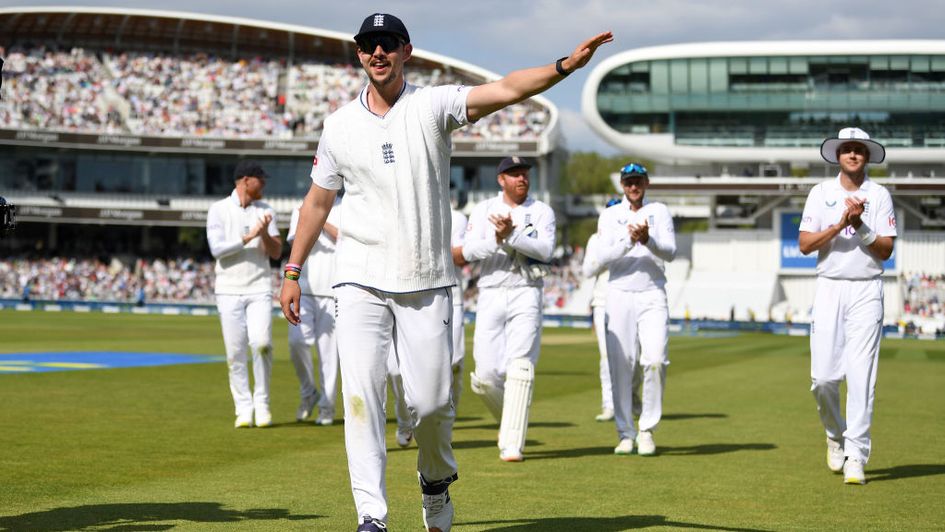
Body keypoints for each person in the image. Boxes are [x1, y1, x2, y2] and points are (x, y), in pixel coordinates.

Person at [279, 12, 611, 532]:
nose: (377, 54)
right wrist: (292, 270)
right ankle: (371, 516)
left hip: (426, 277)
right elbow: (318, 202)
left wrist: (565, 66)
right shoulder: (339, 125)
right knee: (362, 397)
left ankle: (435, 483)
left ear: (406, 50)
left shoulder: (432, 105)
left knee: (431, 405)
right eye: (368, 46)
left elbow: (503, 90)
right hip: (359, 276)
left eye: (387, 44)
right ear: (359, 54)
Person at [798, 127, 896, 485]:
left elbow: (885, 250)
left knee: (861, 378)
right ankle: (834, 434)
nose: (853, 155)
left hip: (867, 289)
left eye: (859, 150)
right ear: (838, 155)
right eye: (847, 149)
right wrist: (842, 224)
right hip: (829, 288)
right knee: (822, 379)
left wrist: (862, 227)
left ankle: (856, 454)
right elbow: (806, 245)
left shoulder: (879, 194)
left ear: (867, 156)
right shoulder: (821, 193)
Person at [461, 156, 555, 462]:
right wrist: (498, 239)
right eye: (514, 174)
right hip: (490, 291)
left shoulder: (541, 211)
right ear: (501, 179)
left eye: (525, 173)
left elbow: (545, 250)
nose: (522, 179)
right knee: (484, 377)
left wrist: (512, 235)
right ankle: (509, 423)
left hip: (527, 290)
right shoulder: (484, 209)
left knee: (520, 367)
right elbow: (468, 251)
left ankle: (512, 443)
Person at [596, 162, 676, 456]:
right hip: (619, 293)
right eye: (629, 182)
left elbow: (670, 251)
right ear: (622, 184)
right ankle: (625, 432)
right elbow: (603, 256)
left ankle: (646, 429)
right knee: (621, 364)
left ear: (646, 182)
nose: (633, 186)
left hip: (652, 291)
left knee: (655, 359)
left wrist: (648, 240)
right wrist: (630, 240)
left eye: (638, 181)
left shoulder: (659, 211)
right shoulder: (610, 215)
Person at [207, 160, 281, 428]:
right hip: (228, 289)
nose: (264, 184)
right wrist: (249, 237)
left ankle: (262, 404)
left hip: (259, 286)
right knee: (235, 352)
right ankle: (243, 408)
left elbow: (275, 253)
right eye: (260, 179)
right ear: (245, 180)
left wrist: (263, 235)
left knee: (261, 343)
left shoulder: (266, 210)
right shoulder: (218, 210)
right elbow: (216, 250)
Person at [390, 201, 468, 448]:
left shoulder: (456, 217)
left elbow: (460, 257)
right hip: (397, 293)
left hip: (445, 294)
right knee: (394, 370)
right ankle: (405, 421)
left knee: (452, 365)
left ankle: (444, 422)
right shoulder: (395, 211)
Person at [286, 193, 343, 426]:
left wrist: (320, 220)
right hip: (306, 288)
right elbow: (296, 240)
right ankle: (309, 391)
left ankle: (327, 408)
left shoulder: (348, 206)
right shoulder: (302, 207)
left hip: (334, 289)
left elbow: (345, 239)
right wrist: (312, 215)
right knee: (296, 342)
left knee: (329, 355)